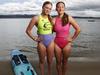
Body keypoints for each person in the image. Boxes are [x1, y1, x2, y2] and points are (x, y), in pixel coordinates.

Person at [26, 1, 54, 75]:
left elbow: (52, 30)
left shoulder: (50, 18)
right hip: (41, 43)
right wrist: (34, 38)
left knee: (50, 61)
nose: (48, 10)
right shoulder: (36, 18)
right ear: (42, 7)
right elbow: (28, 31)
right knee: (42, 61)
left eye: (50, 9)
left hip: (51, 42)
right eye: (46, 8)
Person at [53, 1, 81, 75]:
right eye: (58, 7)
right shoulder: (54, 19)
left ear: (64, 8)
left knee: (65, 62)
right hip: (56, 43)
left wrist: (72, 38)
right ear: (56, 9)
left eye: (62, 7)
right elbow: (48, 31)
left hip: (66, 43)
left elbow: (78, 29)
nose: (60, 8)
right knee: (58, 62)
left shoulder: (68, 18)